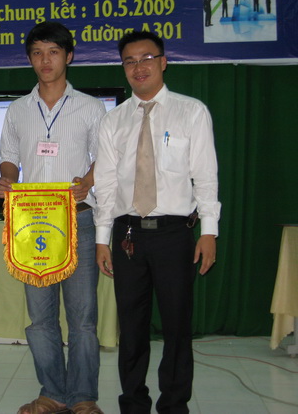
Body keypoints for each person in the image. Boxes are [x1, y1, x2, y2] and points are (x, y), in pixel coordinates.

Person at [94, 31, 221, 414]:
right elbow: (106, 185)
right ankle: (133, 403)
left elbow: (206, 176)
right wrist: (102, 238)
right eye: (130, 61)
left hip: (174, 235)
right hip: (128, 235)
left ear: (163, 62)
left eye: (146, 58)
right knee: (131, 329)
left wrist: (209, 232)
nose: (139, 67)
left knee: (177, 326)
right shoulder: (113, 121)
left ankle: (174, 405)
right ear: (123, 68)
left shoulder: (191, 112)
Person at [0, 21, 106, 414]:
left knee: (83, 320)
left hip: (78, 220)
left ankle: (84, 397)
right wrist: (7, 179)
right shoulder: (17, 109)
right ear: (30, 59)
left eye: (54, 52)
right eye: (37, 53)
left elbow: (105, 157)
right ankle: (53, 393)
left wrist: (87, 181)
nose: (45, 60)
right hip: (31, 223)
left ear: (69, 56)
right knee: (40, 319)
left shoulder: (91, 107)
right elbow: (8, 156)